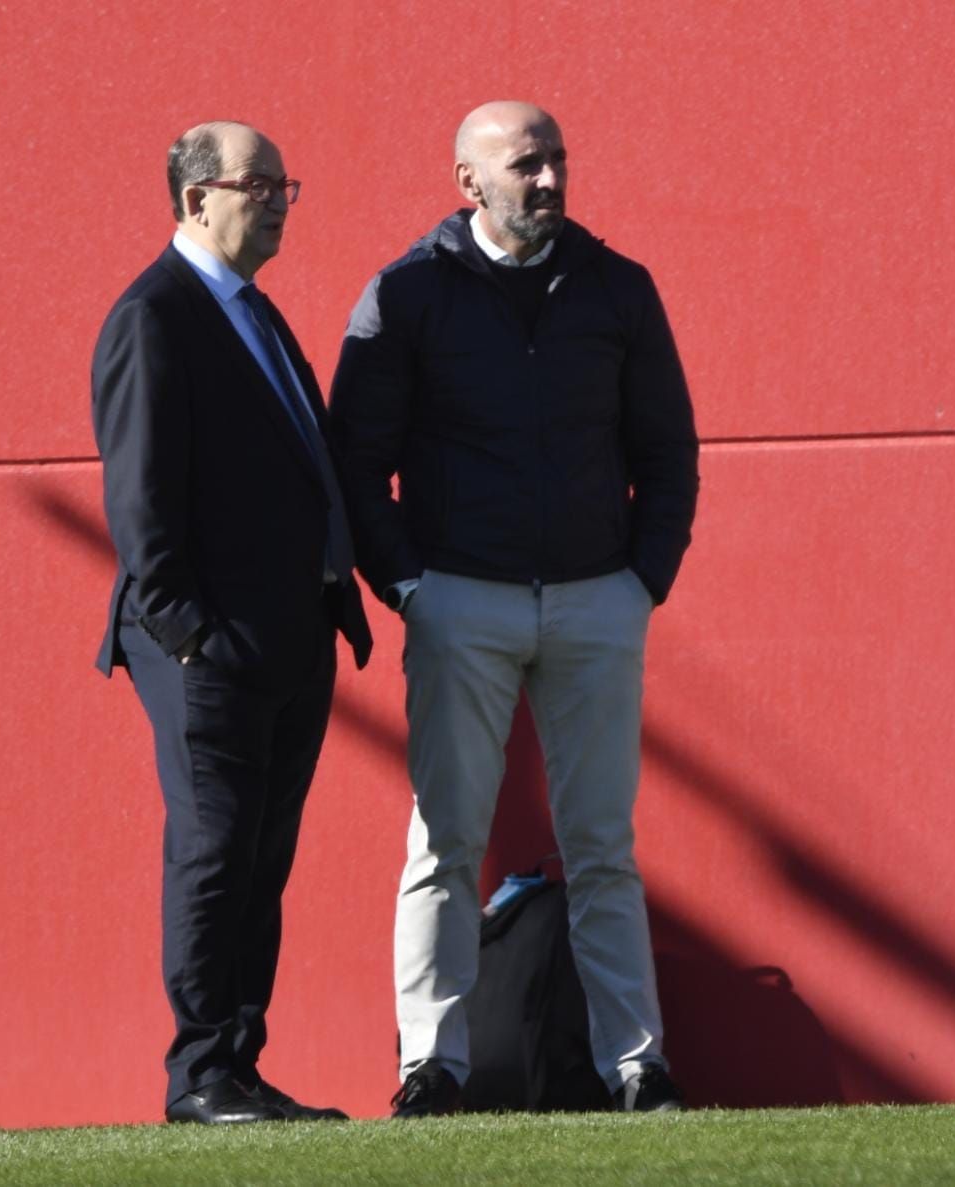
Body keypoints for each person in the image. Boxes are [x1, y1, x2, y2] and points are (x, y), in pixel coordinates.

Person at [330, 101, 699, 1116]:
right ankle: (432, 1067)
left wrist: (641, 582)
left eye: (557, 162)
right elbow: (357, 460)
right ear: (467, 180)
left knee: (601, 844)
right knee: (444, 840)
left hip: (594, 602)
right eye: (525, 164)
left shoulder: (616, 289)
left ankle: (636, 1064)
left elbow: (667, 450)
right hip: (461, 599)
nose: (548, 180)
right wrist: (410, 585)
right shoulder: (408, 295)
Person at [91, 120, 372, 1124]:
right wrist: (185, 633)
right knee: (215, 851)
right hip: (211, 646)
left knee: (262, 857)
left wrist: (338, 598)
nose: (279, 200)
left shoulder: (255, 313)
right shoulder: (155, 316)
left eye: (287, 183)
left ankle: (239, 1065)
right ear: (195, 197)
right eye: (260, 183)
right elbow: (140, 500)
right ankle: (199, 1074)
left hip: (289, 636)